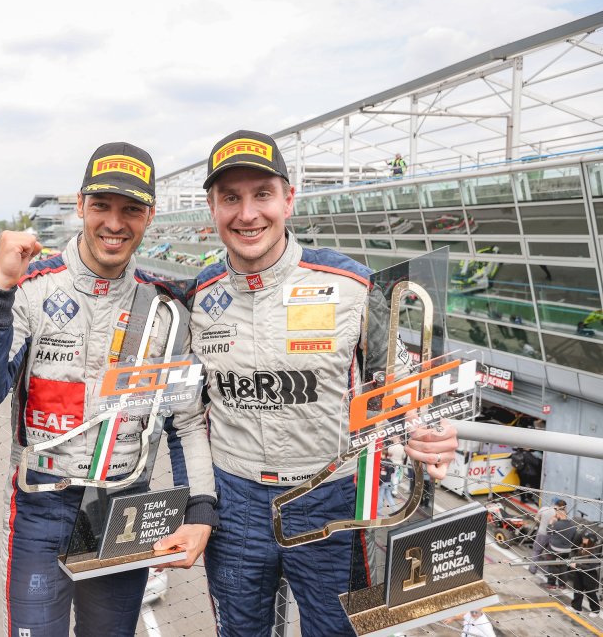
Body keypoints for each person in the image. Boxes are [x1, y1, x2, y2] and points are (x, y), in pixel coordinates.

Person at [191, 130, 459, 637]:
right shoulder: (198, 296)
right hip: (234, 500)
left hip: (331, 496)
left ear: (289, 200)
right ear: (213, 207)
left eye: (262, 194)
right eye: (230, 198)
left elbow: (404, 384)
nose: (247, 214)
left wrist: (433, 432)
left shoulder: (352, 284)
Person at [0, 142, 217, 636]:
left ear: (150, 216)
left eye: (131, 209)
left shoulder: (166, 309)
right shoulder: (31, 288)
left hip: (124, 504)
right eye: (101, 205)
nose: (114, 223)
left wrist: (201, 509)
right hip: (41, 503)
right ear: (80, 205)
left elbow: (186, 423)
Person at [530, 498, 565, 577]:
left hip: (542, 533)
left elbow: (536, 519)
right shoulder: (559, 514)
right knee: (548, 554)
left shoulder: (544, 509)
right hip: (552, 536)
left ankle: (533, 569)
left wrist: (542, 523)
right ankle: (546, 572)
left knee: (537, 551)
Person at [569, 531, 601, 617]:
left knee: (590, 593)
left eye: (585, 538)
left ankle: (596, 610)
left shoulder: (594, 551)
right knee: (577, 589)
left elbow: (591, 567)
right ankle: (576, 607)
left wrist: (577, 565)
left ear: (590, 540)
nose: (583, 539)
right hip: (579, 572)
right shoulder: (583, 547)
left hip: (589, 575)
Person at [546, 506, 578, 588]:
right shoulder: (573, 526)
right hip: (566, 550)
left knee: (552, 566)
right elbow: (574, 539)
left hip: (555, 549)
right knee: (563, 567)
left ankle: (551, 584)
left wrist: (550, 522)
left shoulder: (557, 524)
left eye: (556, 514)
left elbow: (548, 531)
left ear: (560, 515)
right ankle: (562, 585)